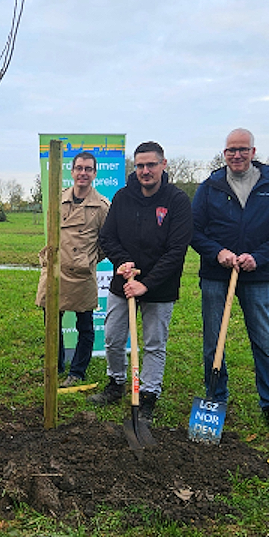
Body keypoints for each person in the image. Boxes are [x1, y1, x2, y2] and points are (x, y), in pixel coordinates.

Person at [191, 129, 269, 434]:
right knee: (214, 343)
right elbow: (194, 230)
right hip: (216, 274)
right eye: (231, 150)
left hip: (255, 275)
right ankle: (215, 399)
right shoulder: (209, 186)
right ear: (224, 153)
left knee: (264, 342)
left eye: (242, 149)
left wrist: (258, 257)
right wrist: (218, 252)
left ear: (253, 151)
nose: (236, 155)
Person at [89, 141, 192, 423]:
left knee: (154, 344)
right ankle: (116, 383)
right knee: (112, 337)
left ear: (163, 165)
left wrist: (147, 284)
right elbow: (107, 237)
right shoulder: (123, 197)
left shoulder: (177, 201)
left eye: (151, 165)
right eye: (140, 166)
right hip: (124, 283)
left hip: (160, 287)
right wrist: (123, 263)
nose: (145, 171)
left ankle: (148, 395)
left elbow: (177, 250)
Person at [35, 151, 110, 387]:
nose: (83, 173)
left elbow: (106, 243)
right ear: (72, 171)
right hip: (55, 270)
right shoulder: (58, 199)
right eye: (79, 168)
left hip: (81, 275)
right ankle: (54, 365)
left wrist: (86, 260)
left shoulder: (102, 206)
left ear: (95, 173)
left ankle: (77, 371)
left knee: (85, 326)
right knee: (51, 322)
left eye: (88, 169)